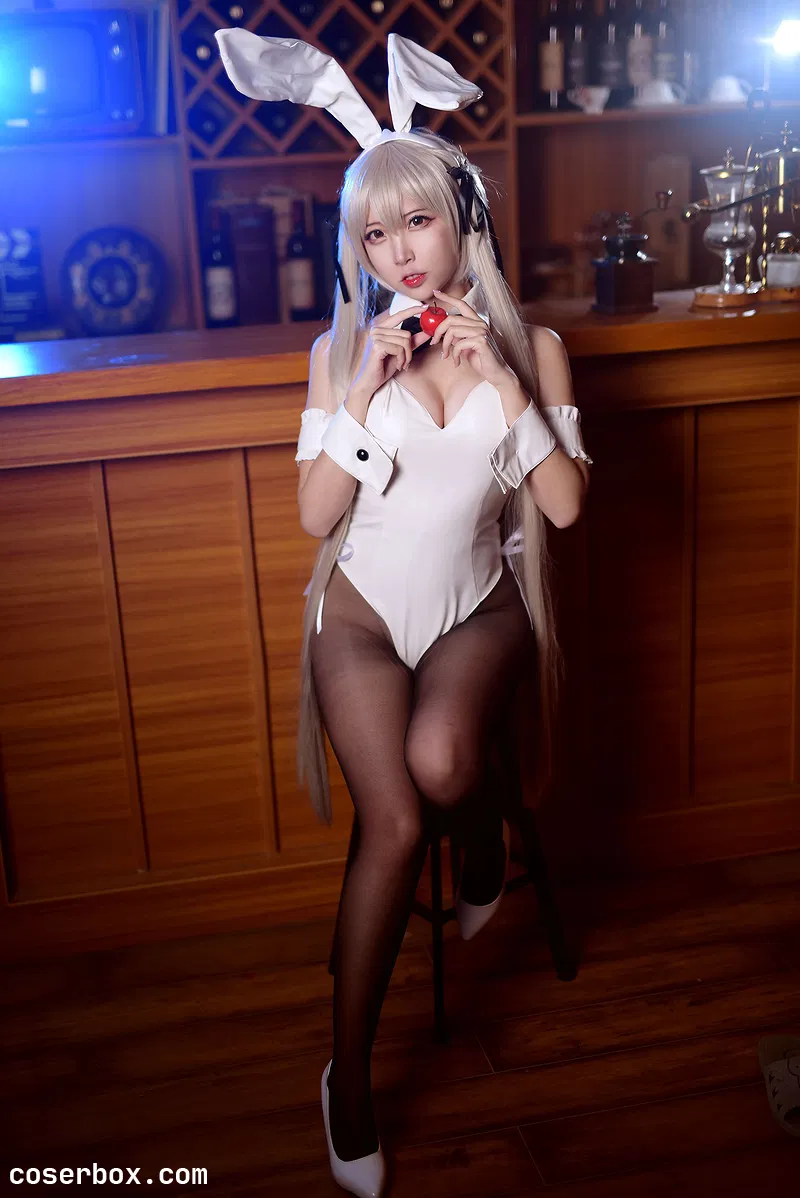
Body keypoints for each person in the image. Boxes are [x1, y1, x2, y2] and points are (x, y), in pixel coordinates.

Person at [216, 29, 593, 1198]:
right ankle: (349, 1078)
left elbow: (563, 509)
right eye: (372, 236)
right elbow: (310, 515)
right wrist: (362, 392)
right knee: (390, 818)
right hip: (363, 617)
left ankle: (478, 832)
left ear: (460, 219)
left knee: (442, 757)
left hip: (479, 604)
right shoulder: (339, 350)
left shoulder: (533, 348)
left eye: (415, 223)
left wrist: (506, 387)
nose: (396, 254)